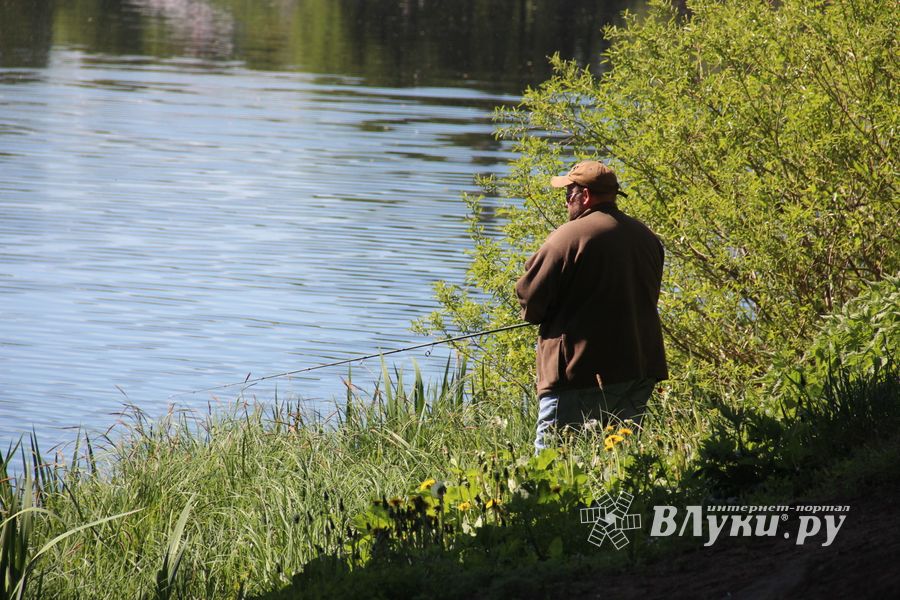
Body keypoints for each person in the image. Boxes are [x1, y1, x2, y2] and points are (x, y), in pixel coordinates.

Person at [515, 160, 668, 453]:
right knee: (619, 459)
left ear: (584, 195)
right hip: (639, 365)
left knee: (552, 463)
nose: (565, 202)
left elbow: (530, 302)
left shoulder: (567, 237)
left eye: (568, 194)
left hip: (578, 370)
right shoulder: (646, 237)